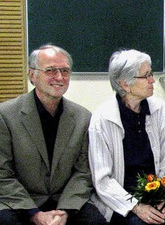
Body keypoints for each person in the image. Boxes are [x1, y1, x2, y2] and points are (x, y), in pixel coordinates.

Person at [0, 45, 106, 225]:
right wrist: (34, 213)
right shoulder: (6, 115)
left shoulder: (83, 117)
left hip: (66, 200)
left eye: (64, 71)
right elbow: (3, 173)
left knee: (96, 222)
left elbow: (84, 172)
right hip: (21, 202)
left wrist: (64, 211)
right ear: (32, 75)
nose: (59, 77)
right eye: (50, 70)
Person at [88, 49, 165, 224]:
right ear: (125, 84)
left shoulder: (159, 109)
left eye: (151, 74)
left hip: (157, 193)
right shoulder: (102, 118)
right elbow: (102, 179)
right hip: (121, 202)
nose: (152, 80)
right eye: (146, 76)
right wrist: (136, 207)